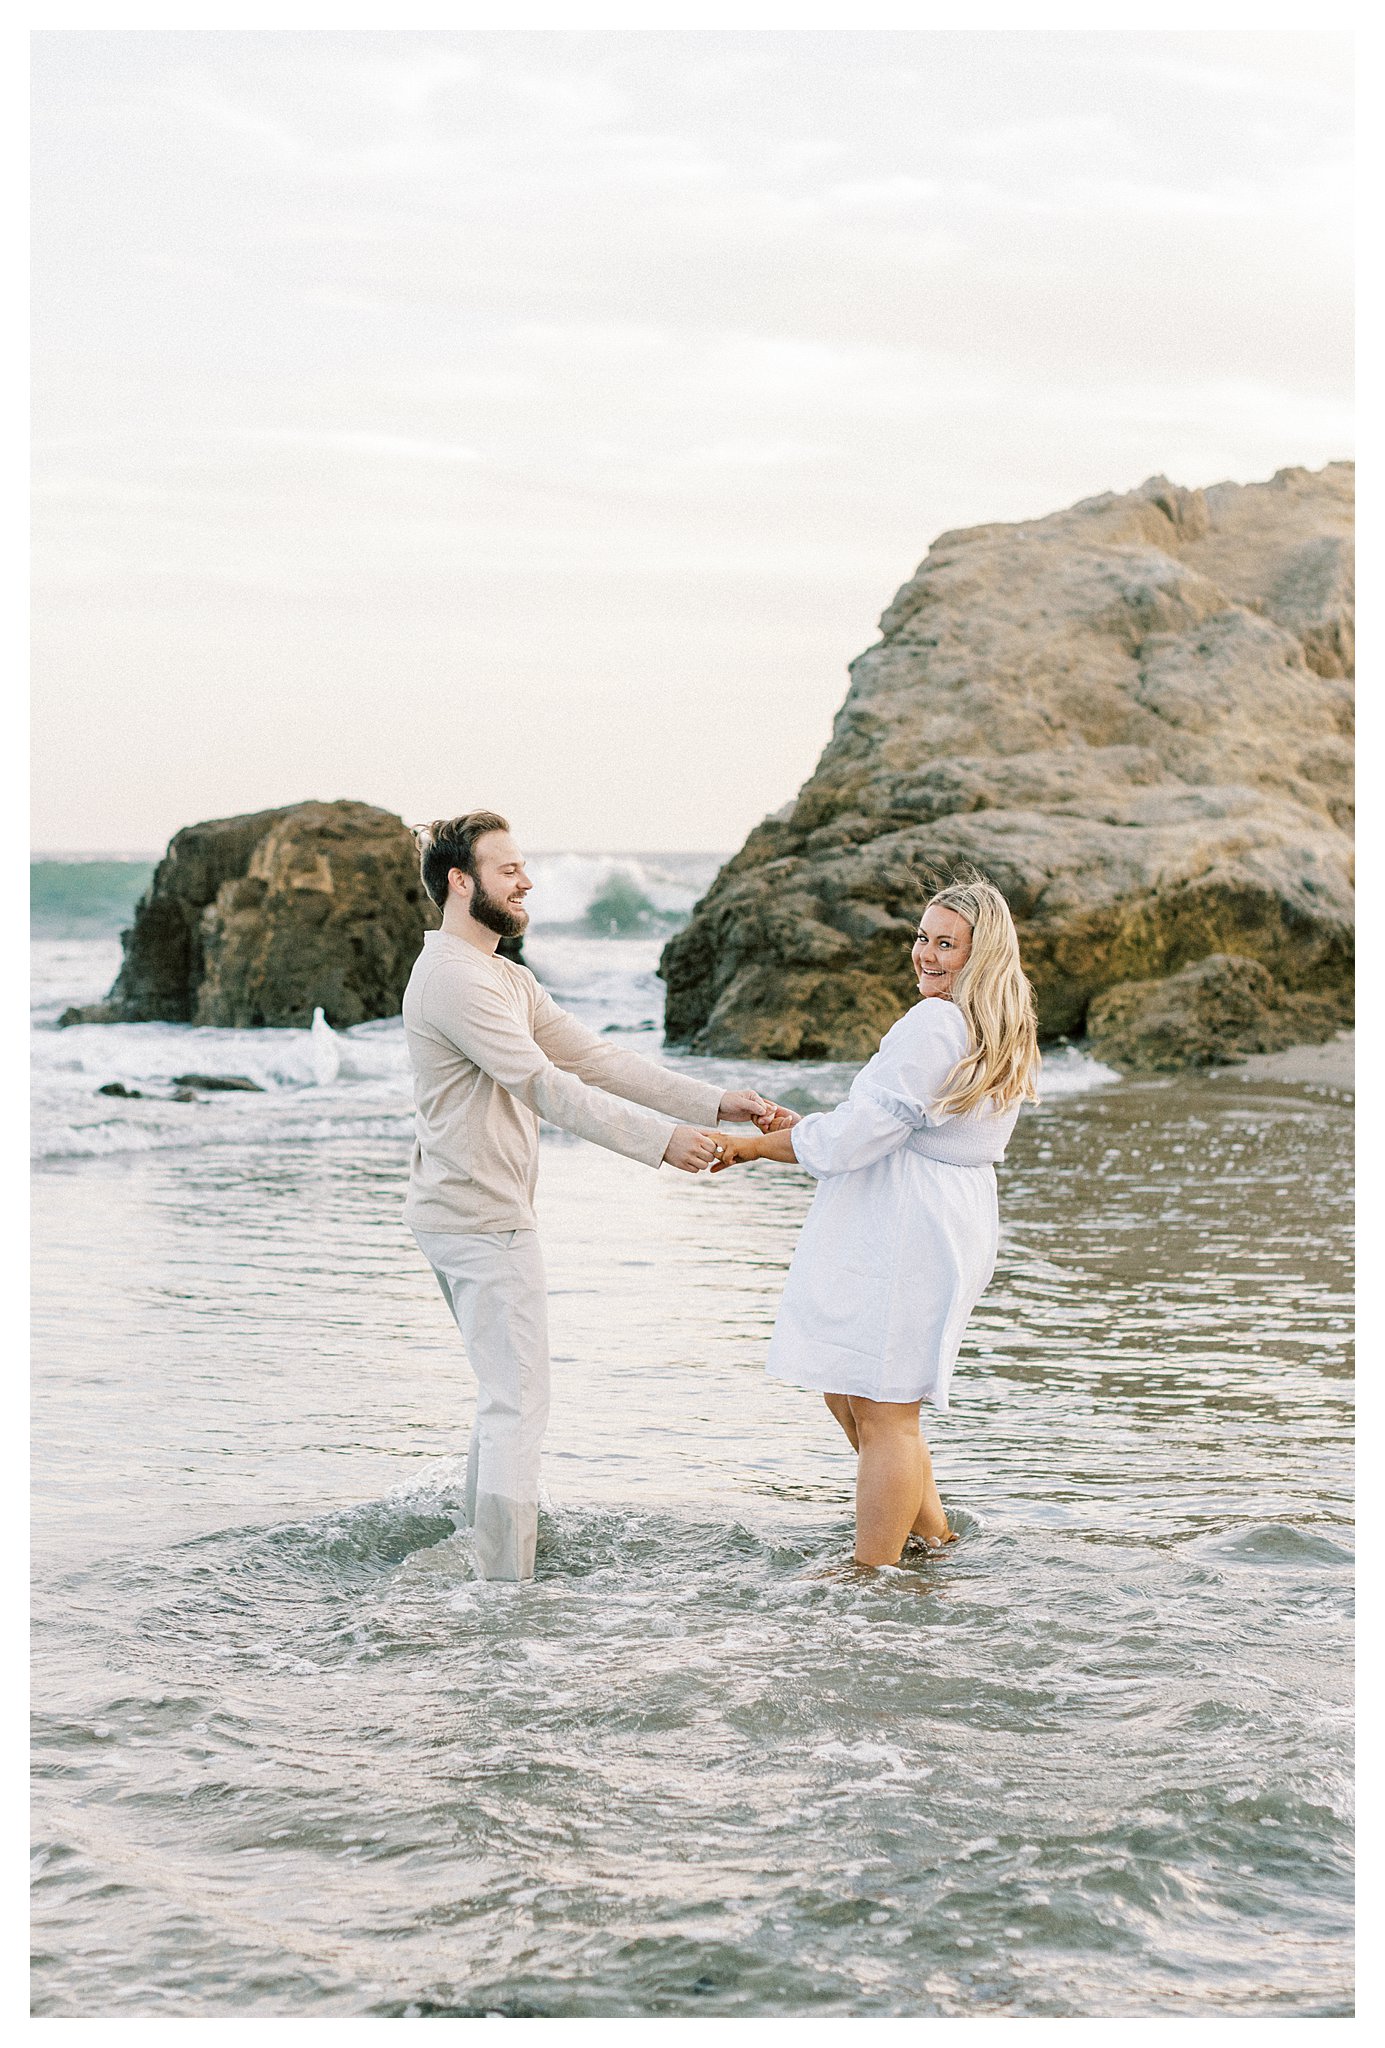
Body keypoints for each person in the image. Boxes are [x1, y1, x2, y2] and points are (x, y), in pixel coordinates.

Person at [402, 811, 783, 1584]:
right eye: (507, 871)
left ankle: (481, 1553)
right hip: (478, 1214)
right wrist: (659, 1143)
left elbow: (596, 1059)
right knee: (519, 1401)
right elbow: (543, 1085)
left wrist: (712, 1103)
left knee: (504, 1392)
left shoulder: (503, 976)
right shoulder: (450, 975)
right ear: (460, 881)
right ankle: (504, 1586)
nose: (526, 882)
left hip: (471, 1207)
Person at [707, 878, 1040, 1568]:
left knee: (885, 1407)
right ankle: (934, 1540)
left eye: (946, 943)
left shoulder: (936, 1022)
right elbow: (886, 1125)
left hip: (909, 1224)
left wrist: (753, 1146)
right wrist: (810, 1131)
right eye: (922, 937)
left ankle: (873, 1578)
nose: (925, 954)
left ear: (981, 955)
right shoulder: (989, 1023)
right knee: (856, 1387)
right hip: (940, 1215)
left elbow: (863, 1134)